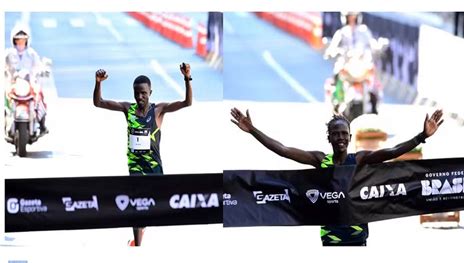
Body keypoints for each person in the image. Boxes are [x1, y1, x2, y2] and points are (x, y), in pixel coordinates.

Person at [230, 107, 444, 246]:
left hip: (358, 238)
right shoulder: (320, 160)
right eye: (336, 133)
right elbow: (283, 150)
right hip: (330, 240)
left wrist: (422, 136)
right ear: (329, 137)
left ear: (350, 137)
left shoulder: (359, 160)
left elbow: (391, 153)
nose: (340, 137)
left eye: (344, 133)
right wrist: (253, 130)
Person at [93, 63, 193, 246]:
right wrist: (98, 83)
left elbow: (187, 103)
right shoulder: (127, 109)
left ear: (150, 93)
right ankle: (137, 246)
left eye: (143, 93)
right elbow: (98, 102)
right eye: (137, 93)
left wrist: (187, 78)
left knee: (152, 206)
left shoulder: (158, 110)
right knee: (137, 206)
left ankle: (141, 230)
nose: (140, 97)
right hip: (135, 167)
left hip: (154, 167)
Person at [325, 12, 381, 115]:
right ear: (345, 18)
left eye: (354, 16)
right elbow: (332, 47)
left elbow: (372, 43)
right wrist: (331, 51)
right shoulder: (341, 32)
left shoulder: (364, 31)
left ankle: (374, 102)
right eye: (349, 16)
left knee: (373, 76)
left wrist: (377, 47)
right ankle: (336, 101)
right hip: (346, 63)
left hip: (360, 63)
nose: (352, 18)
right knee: (337, 73)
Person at [5, 24, 48, 134]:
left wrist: (43, 71)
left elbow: (39, 66)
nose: (20, 43)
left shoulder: (31, 54)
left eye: (23, 40)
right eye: (18, 40)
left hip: (29, 84)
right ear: (14, 41)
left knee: (40, 95)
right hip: (13, 84)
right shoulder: (8, 54)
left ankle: (42, 125)